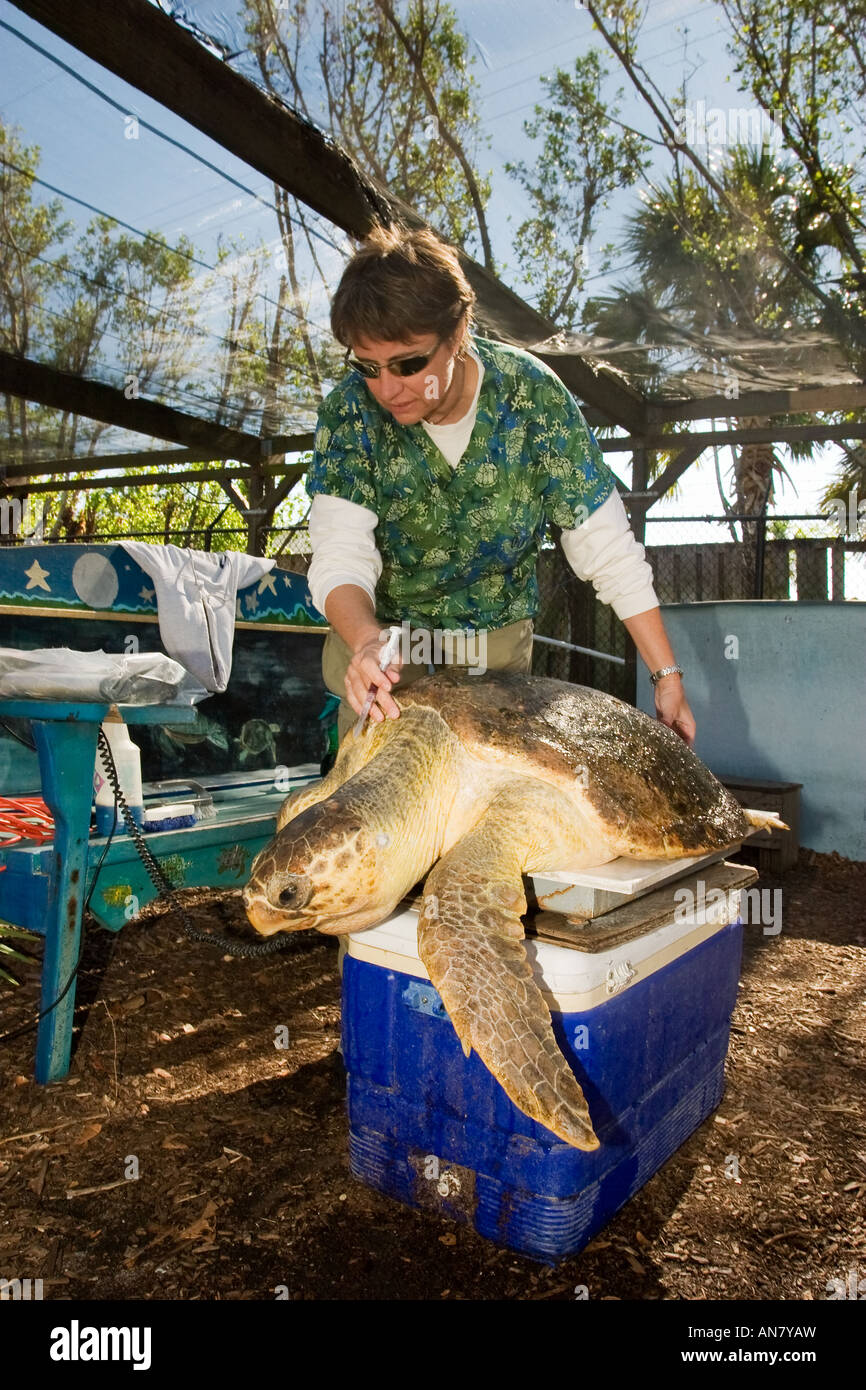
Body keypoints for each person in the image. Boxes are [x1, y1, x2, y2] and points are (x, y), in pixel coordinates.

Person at [306, 223, 696, 746]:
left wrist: (665, 677)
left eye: (409, 362)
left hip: (490, 649)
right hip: (387, 646)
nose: (387, 388)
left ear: (459, 330)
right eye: (369, 366)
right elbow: (340, 553)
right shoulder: (349, 412)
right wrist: (366, 641)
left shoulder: (533, 399)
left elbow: (607, 550)